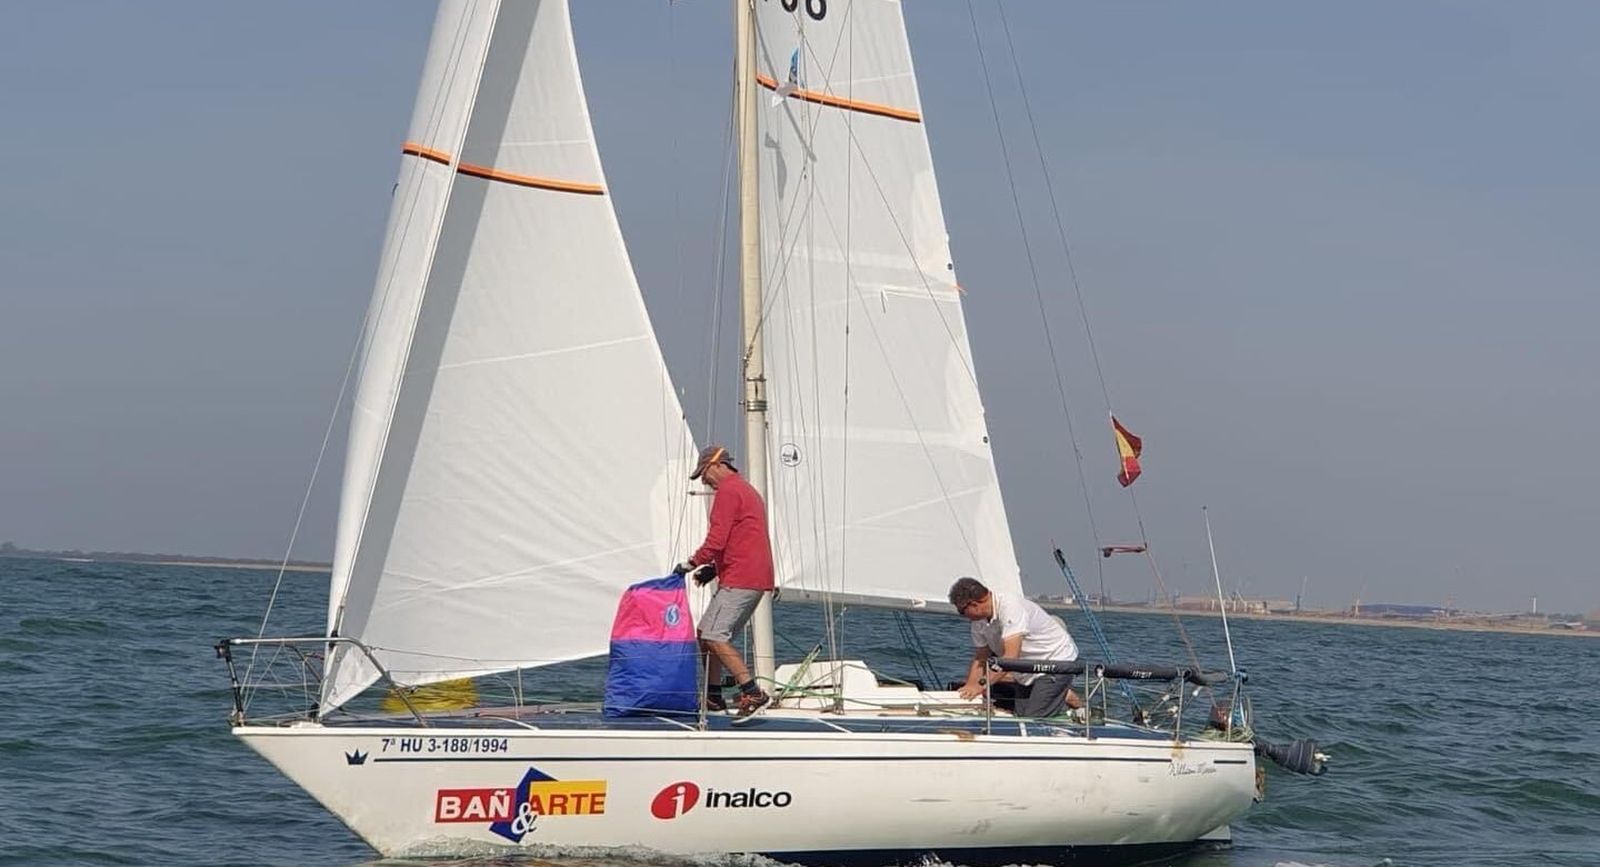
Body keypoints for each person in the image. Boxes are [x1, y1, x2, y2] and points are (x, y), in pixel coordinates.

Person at [676, 445, 775, 717]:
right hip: (751, 575)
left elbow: (717, 539)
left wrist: (691, 563)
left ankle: (753, 693)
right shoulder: (745, 490)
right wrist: (713, 568)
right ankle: (714, 697)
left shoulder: (729, 492)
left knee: (714, 635)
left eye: (704, 473)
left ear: (718, 465)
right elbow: (740, 539)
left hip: (741, 577)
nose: (704, 481)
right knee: (705, 633)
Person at [949, 576, 1084, 719]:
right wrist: (970, 686)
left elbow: (1010, 657)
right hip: (1025, 668)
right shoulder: (978, 622)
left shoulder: (1010, 607)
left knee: (1033, 718)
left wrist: (980, 686)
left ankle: (1065, 699)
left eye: (962, 611)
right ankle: (1061, 697)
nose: (963, 616)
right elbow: (981, 656)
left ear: (974, 604)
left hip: (1054, 659)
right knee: (1021, 716)